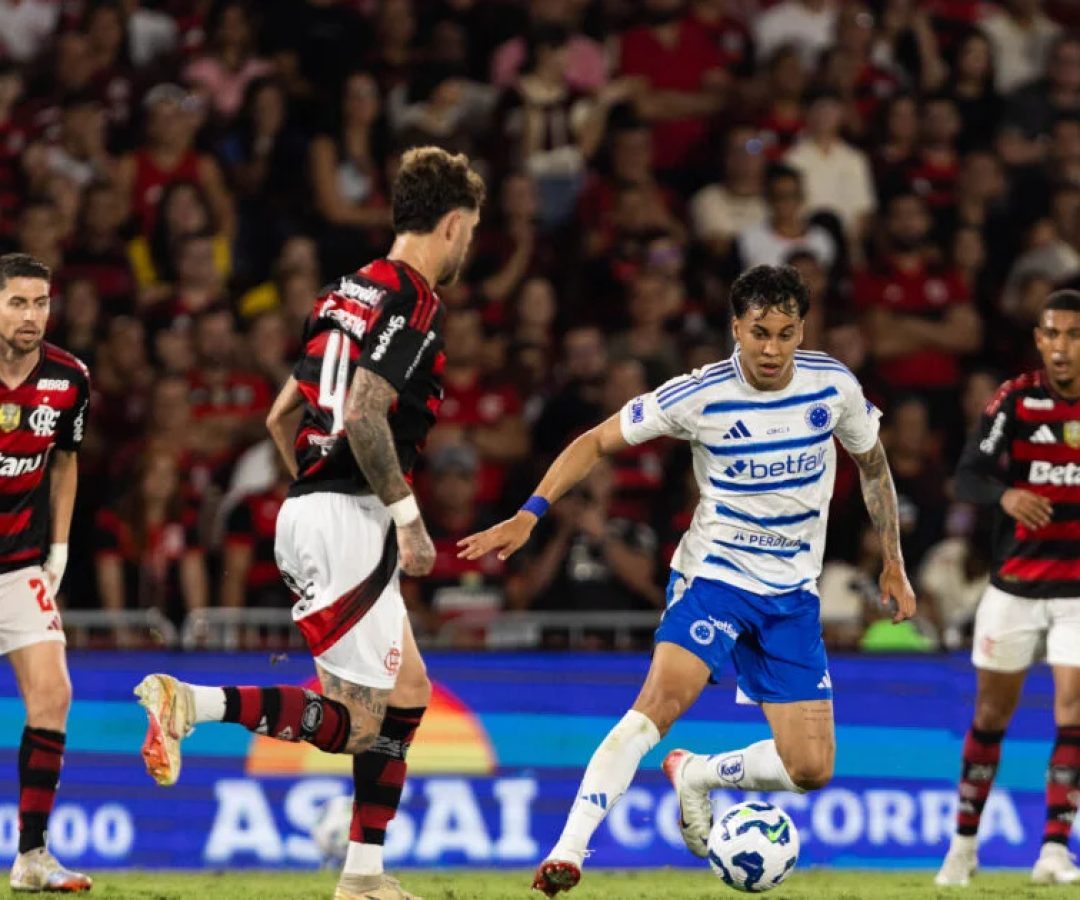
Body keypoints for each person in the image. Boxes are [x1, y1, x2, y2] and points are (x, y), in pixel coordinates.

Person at [459, 264, 916, 896]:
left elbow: (873, 464)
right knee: (655, 708)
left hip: (790, 598)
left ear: (801, 330)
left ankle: (699, 775)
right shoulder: (697, 395)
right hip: (714, 579)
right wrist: (530, 512)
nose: (771, 349)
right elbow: (593, 442)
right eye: (759, 332)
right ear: (735, 328)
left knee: (810, 769)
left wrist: (892, 558)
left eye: (785, 334)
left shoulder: (831, 386)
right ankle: (568, 849)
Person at [133, 146, 485, 900]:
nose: (467, 249)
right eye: (471, 233)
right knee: (357, 724)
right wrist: (405, 519)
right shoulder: (415, 301)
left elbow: (280, 413)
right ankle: (191, 703)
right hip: (350, 515)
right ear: (453, 225)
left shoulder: (341, 293)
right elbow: (363, 411)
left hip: (313, 506)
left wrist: (313, 495)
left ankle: (362, 876)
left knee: (410, 691)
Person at [935, 289, 1080, 887]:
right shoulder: (1016, 399)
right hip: (1015, 588)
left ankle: (1053, 849)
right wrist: (1007, 494)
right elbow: (965, 475)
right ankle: (963, 846)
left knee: (1073, 714)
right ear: (1039, 340)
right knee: (991, 716)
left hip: (1077, 591)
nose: (1062, 347)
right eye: (1053, 335)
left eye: (1073, 335)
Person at [0, 253, 92, 892]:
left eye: (40, 303)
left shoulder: (70, 378)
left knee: (53, 693)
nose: (31, 316)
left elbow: (64, 461)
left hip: (18, 563)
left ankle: (31, 856)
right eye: (17, 303)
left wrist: (57, 549)